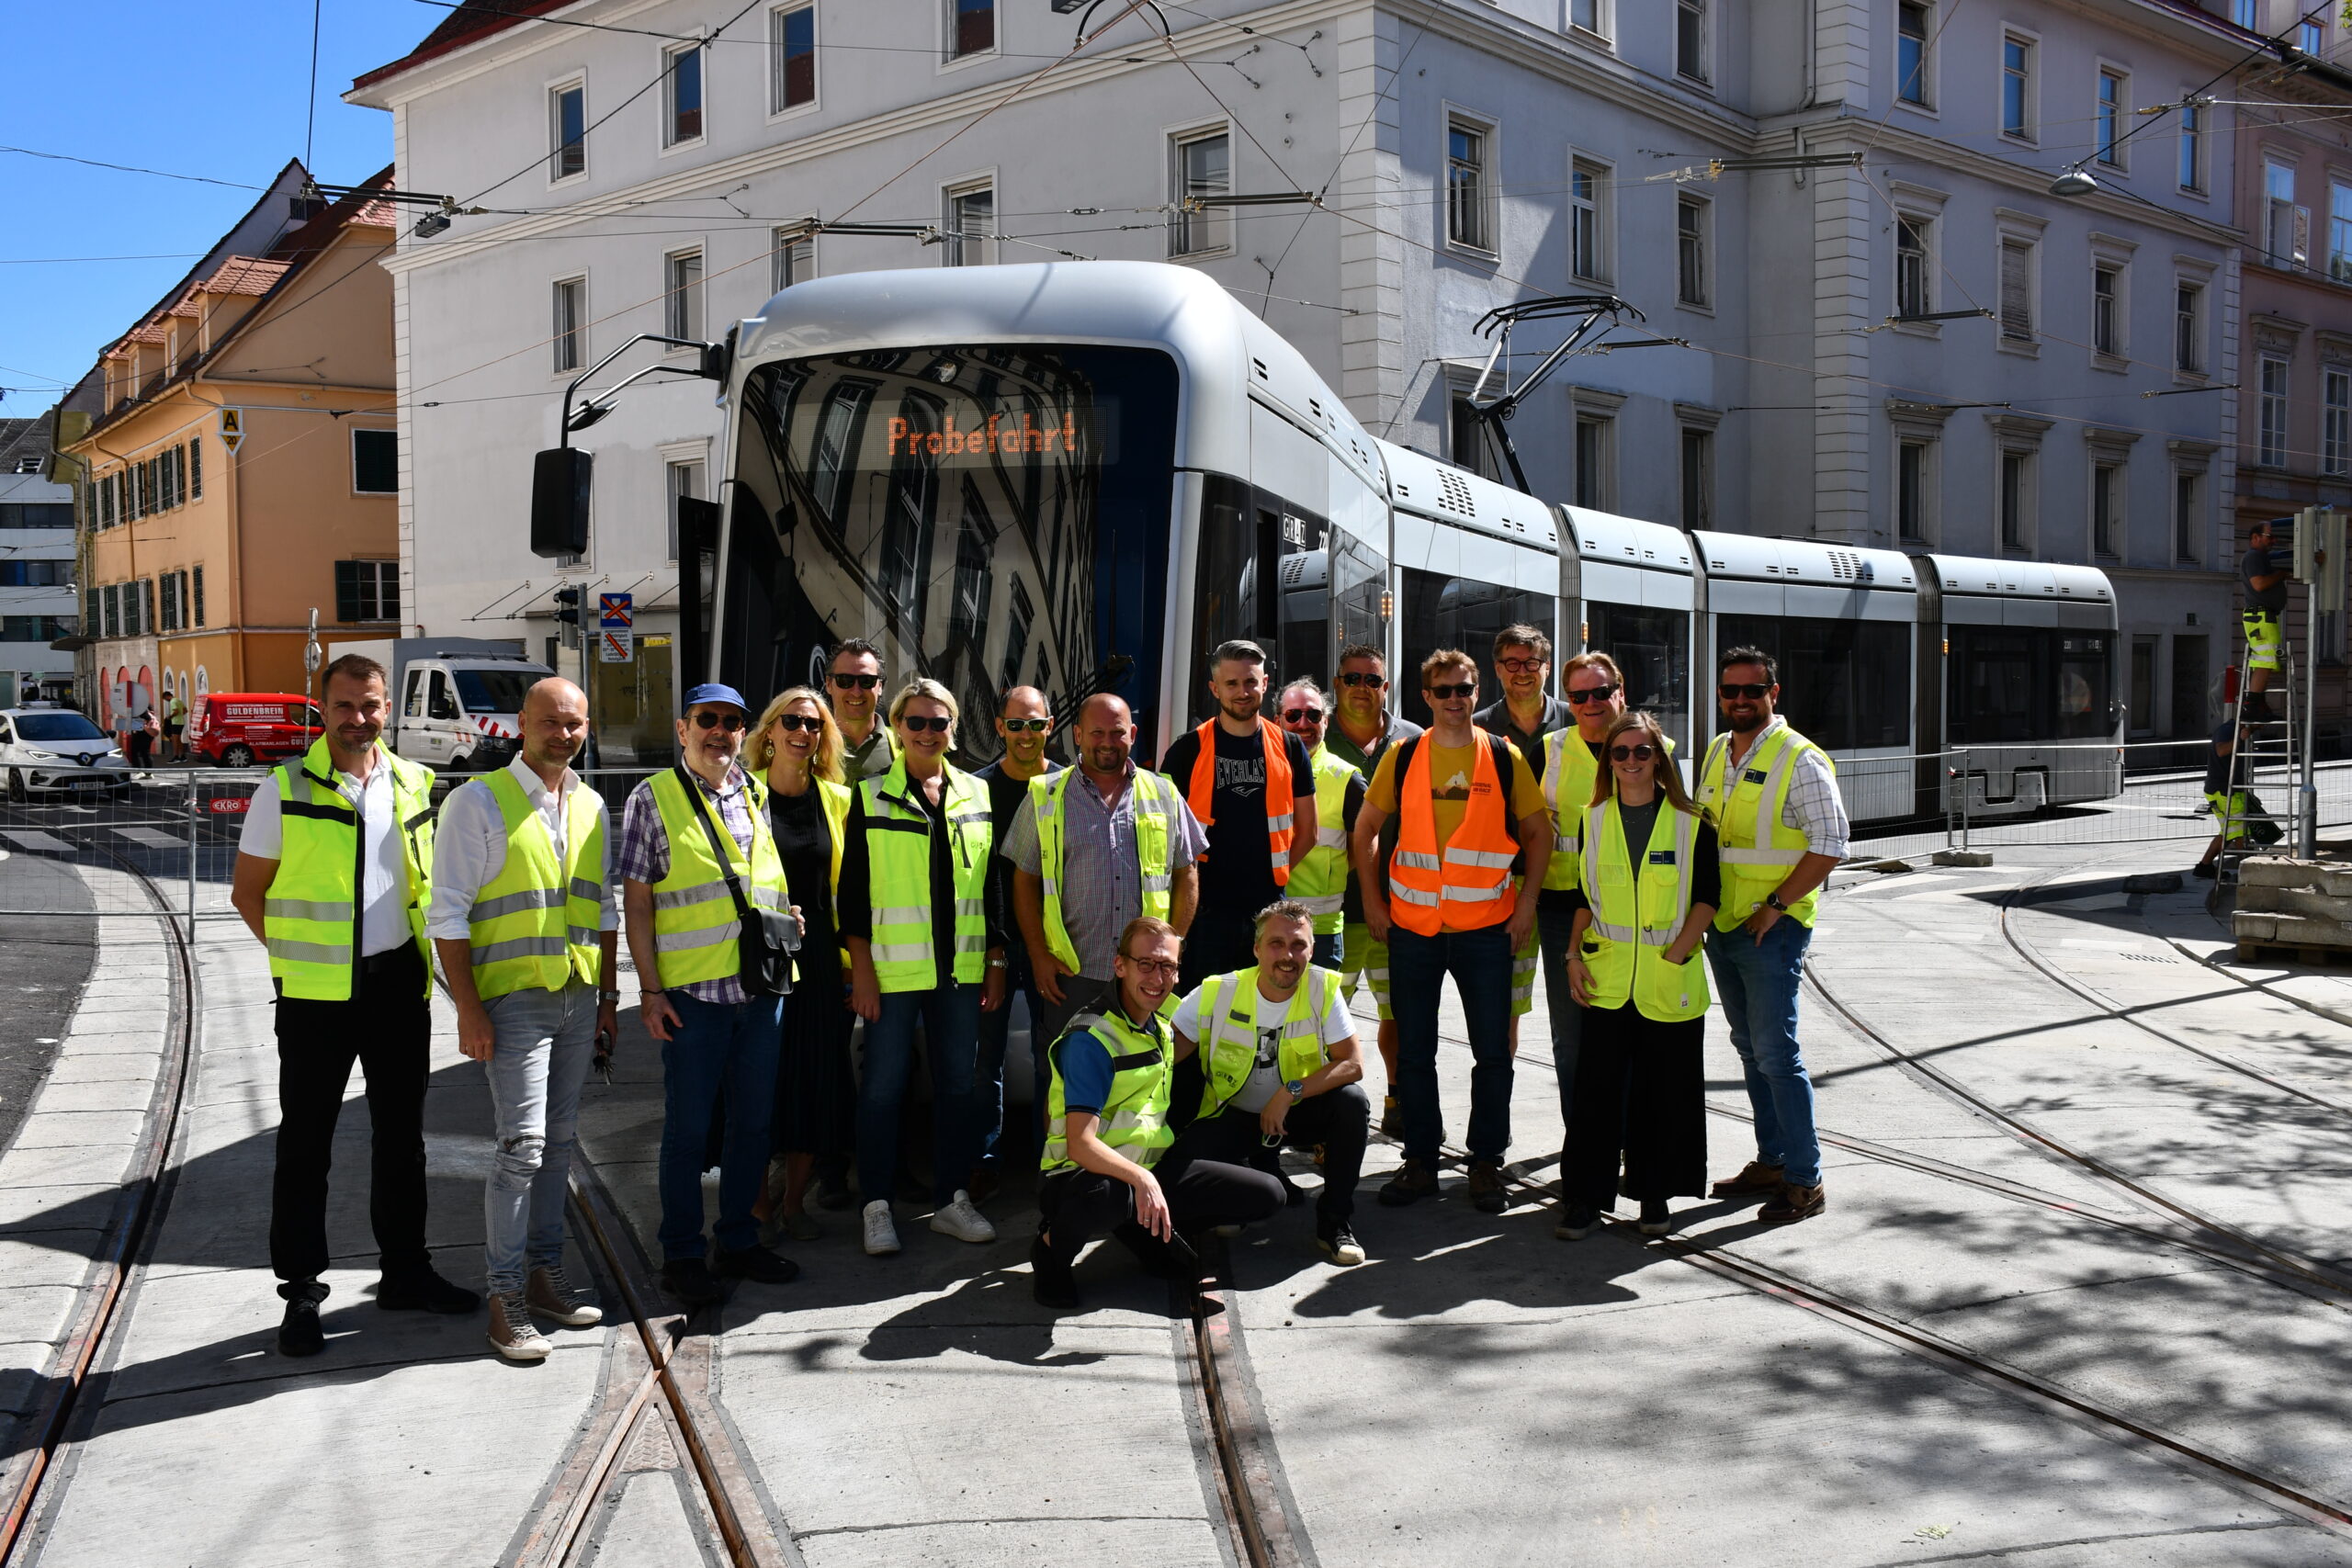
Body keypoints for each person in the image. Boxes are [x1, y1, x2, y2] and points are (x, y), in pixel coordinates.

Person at [229, 654, 475, 1358]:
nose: (359, 718)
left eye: (371, 705)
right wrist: (300, 959)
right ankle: (302, 1292)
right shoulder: (283, 788)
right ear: (323, 708)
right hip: (315, 997)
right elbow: (248, 893)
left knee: (403, 1139)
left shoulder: (415, 782)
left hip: (398, 985)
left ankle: (405, 1271)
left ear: (387, 707)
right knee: (306, 1146)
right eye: (345, 705)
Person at [428, 677, 616, 1360]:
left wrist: (608, 999)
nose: (562, 734)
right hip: (512, 1001)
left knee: (558, 1148)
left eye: (574, 724)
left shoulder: (591, 804)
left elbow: (603, 907)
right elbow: (447, 911)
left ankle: (544, 1275)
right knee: (522, 1149)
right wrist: (468, 1009)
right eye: (550, 722)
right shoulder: (478, 801)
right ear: (521, 723)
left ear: (586, 727)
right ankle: (504, 1297)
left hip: (577, 994)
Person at [619, 682, 801, 1306]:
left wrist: (786, 916)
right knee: (689, 1131)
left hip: (760, 990)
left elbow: (757, 880)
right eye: (707, 719)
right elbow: (638, 905)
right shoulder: (652, 797)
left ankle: (738, 1240)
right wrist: (649, 990)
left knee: (752, 1126)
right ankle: (682, 1253)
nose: (720, 731)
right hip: (692, 997)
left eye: (732, 721)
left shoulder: (753, 792)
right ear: (683, 728)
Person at [1354, 649, 1551, 1214]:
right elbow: (1365, 829)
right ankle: (1420, 1161)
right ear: (1426, 697)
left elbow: (1540, 833)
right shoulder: (1403, 756)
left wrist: (1526, 906)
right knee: (1415, 1052)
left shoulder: (1504, 756)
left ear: (1476, 692)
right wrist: (1372, 901)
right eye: (1443, 691)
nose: (1455, 700)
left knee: (1493, 1053)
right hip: (1413, 929)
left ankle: (1486, 1163)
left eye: (1464, 689)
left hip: (1487, 930)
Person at [1031, 917, 1285, 1311]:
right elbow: (1079, 1145)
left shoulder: (1165, 1020)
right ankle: (1050, 1252)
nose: (1157, 977)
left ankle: (1140, 1229)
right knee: (1107, 1196)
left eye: (1167, 966)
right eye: (1146, 964)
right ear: (1120, 966)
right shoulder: (1091, 1038)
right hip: (1079, 1177)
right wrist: (1142, 1180)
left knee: (1267, 1194)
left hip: (1146, 1168)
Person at [841, 679, 1006, 1258]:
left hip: (960, 971)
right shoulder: (870, 796)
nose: (927, 732)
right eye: (916, 722)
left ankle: (952, 1200)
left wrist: (995, 960)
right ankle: (877, 1206)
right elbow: (852, 896)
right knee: (883, 1089)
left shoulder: (976, 794)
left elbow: (991, 886)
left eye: (939, 723)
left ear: (952, 730)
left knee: (958, 1087)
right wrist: (862, 972)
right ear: (897, 728)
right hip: (892, 974)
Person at [1698, 648, 1847, 1225]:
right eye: (1730, 690)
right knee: (1751, 1049)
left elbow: (1831, 843)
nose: (1740, 700)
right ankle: (1773, 1160)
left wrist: (1777, 906)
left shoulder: (1799, 757)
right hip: (1725, 925)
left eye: (1752, 690)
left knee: (1777, 1054)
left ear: (1773, 694)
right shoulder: (1719, 751)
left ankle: (1806, 1180)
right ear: (1720, 695)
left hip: (1771, 930)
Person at [1557, 711, 1718, 1241]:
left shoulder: (1692, 821)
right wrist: (1572, 955)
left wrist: (1676, 955)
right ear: (1608, 760)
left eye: (1642, 751)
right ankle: (1584, 1198)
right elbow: (1584, 895)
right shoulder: (1593, 818)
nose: (1631, 761)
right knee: (1596, 1094)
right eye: (1620, 752)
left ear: (1658, 759)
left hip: (1666, 980)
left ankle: (1654, 1194)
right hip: (1606, 979)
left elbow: (1707, 898)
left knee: (1663, 1093)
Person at [1008, 691, 1204, 1084]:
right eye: (1097, 733)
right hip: (1073, 973)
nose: (1107, 742)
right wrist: (1038, 954)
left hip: (1144, 975)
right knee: (1063, 1083)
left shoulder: (1163, 793)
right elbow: (1025, 880)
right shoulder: (1046, 795)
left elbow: (1188, 873)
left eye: (1117, 733)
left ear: (1133, 734)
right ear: (1078, 735)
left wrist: (1174, 948)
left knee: (1140, 1080)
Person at [1168, 899, 1370, 1267]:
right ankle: (1235, 1195)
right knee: (1177, 1170)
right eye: (1276, 943)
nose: (1287, 956)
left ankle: (1335, 1222)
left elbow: (1353, 1064)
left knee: (1352, 1103)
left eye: (1298, 945)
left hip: (1292, 1115)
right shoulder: (1218, 991)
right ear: (1257, 949)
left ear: (1312, 950)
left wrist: (1290, 1092)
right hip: (1231, 1116)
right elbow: (1164, 1056)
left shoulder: (1322, 987)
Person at [1534, 653, 1670, 1181]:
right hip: (1562, 908)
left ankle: (1632, 1143)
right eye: (1579, 695)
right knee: (1572, 1036)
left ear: (1621, 691)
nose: (1591, 703)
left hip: (1637, 915)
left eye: (1600, 691)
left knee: (1632, 1034)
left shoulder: (1657, 749)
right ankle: (1587, 1146)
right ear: (1568, 702)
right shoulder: (1549, 750)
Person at [746, 687, 855, 1240]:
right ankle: (756, 1205)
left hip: (818, 960)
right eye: (791, 721)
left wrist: (850, 962)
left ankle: (794, 1203)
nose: (802, 732)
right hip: (759, 958)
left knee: (815, 1081)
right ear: (770, 731)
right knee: (760, 1082)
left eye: (814, 725)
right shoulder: (742, 795)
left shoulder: (838, 800)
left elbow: (851, 891)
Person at [1158, 640, 1317, 991]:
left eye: (1250, 682)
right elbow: (1163, 835)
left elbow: (1309, 832)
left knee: (1263, 1010)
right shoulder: (1187, 750)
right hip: (1204, 913)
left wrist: (1273, 877)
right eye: (1231, 684)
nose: (1242, 692)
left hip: (1268, 910)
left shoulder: (1290, 748)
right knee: (1201, 1010)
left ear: (1265, 683)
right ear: (1215, 688)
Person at [1325, 643, 1420, 1137]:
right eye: (1352, 678)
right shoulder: (1312, 733)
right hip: (1333, 910)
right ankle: (1324, 1113)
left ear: (1386, 687)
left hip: (1402, 907)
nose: (1362, 688)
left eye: (1372, 680)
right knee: (1324, 1018)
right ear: (1336, 684)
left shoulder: (1413, 740)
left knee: (1400, 1013)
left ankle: (1398, 1101)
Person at [970, 687, 1060, 1201]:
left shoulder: (1068, 785)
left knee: (1054, 1057)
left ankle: (1051, 1160)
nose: (1027, 734)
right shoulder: (977, 789)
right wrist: (994, 951)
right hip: (994, 946)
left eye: (1036, 724)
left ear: (1050, 726)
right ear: (1000, 727)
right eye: (1017, 724)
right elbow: (976, 877)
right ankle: (985, 1161)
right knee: (986, 1058)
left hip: (1055, 945)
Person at [1472, 626, 1569, 1062]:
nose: (1522, 671)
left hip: (1571, 887)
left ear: (1547, 668)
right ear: (1497, 669)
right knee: (1503, 1011)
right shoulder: (1478, 728)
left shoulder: (1577, 718)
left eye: (1532, 662)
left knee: (1576, 1008)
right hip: (1504, 886)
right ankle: (1500, 1098)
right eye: (1512, 663)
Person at [827, 638, 895, 780]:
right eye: (845, 680)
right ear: (828, 684)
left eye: (866, 681)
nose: (856, 692)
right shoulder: (811, 743)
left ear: (880, 686)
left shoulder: (905, 745)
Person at [2242, 519, 2289, 719]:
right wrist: (2281, 574)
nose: (2274, 541)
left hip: (2261, 616)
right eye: (2270, 536)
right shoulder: (2254, 557)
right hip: (2261, 617)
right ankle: (2252, 706)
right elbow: (2259, 584)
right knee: (2265, 661)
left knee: (2265, 661)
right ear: (2256, 537)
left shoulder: (2261, 558)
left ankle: (2257, 704)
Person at [163, 687, 187, 763]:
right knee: (178, 740)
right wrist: (180, 715)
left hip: (176, 722)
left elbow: (176, 711)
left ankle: (176, 757)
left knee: (175, 740)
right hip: (181, 722)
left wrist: (170, 716)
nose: (166, 700)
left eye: (165, 699)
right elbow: (185, 710)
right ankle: (182, 756)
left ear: (167, 696)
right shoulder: (178, 700)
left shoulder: (172, 701)